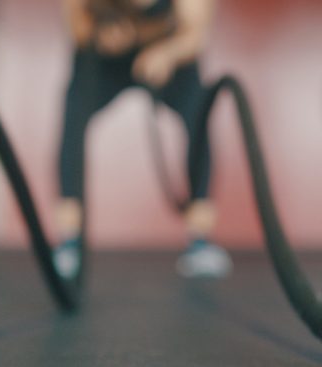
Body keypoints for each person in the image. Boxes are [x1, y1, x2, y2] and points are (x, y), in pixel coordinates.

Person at [55, 0, 231, 278]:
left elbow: (196, 36)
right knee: (73, 115)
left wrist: (167, 54)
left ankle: (200, 241)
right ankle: (69, 240)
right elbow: (77, 27)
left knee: (199, 117)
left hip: (170, 56)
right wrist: (101, 37)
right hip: (104, 58)